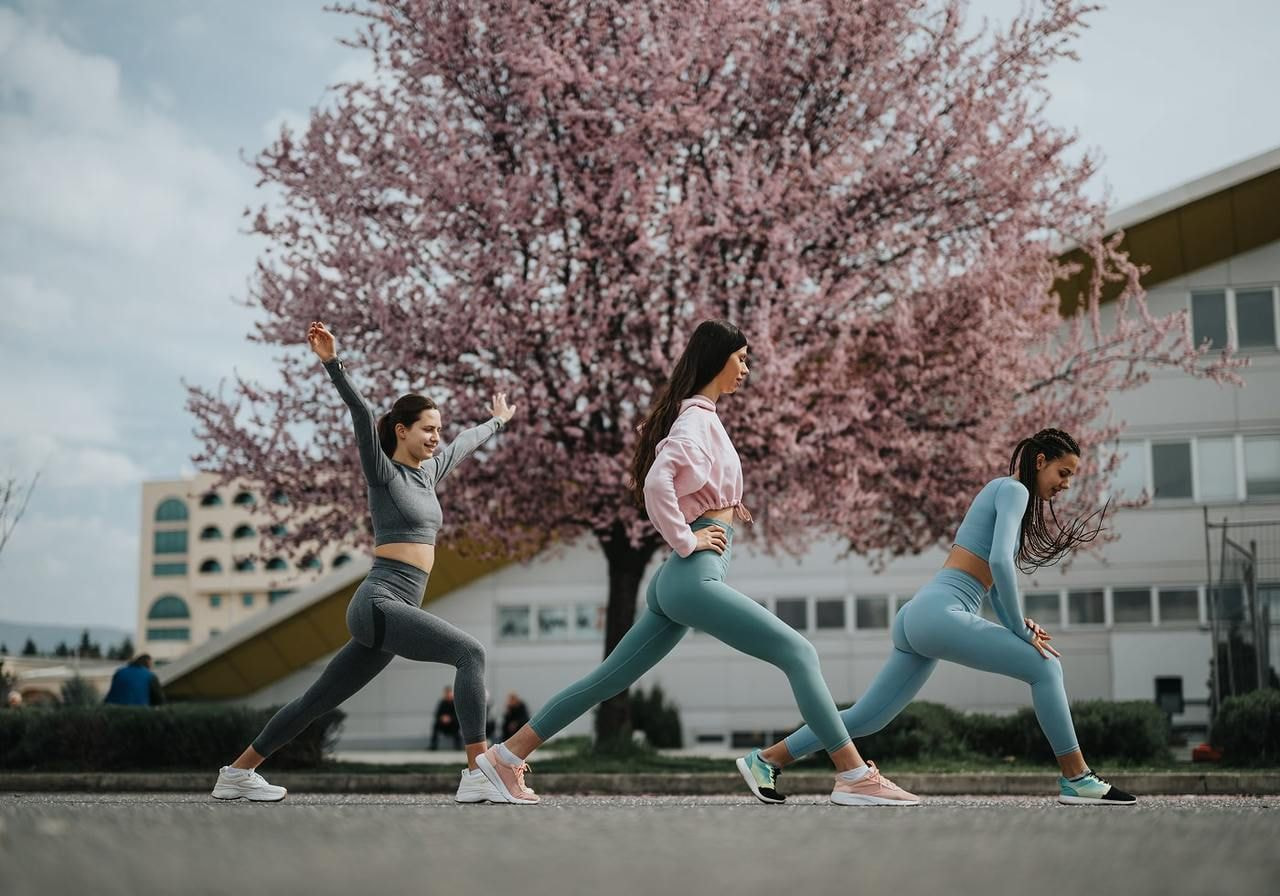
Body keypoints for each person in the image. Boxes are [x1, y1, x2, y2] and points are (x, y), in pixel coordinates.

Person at [476, 319, 917, 806]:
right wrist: (686, 541)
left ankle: (502, 759)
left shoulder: (702, 416)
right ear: (717, 358)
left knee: (606, 680)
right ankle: (854, 776)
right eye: (742, 357)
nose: (747, 367)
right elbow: (657, 484)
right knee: (800, 654)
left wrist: (702, 528)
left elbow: (678, 482)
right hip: (692, 577)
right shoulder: (696, 421)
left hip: (681, 580)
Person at [739, 428, 1137, 807]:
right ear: (1039, 460)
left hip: (923, 614)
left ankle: (766, 760)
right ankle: (1077, 777)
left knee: (867, 717)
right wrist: (1017, 629)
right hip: (939, 613)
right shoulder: (1014, 489)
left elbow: (993, 584)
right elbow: (999, 562)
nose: (1065, 484)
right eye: (1062, 472)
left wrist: (1019, 623)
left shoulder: (1001, 491)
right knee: (1045, 668)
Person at [211, 321, 513, 804]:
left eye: (438, 429)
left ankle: (237, 773)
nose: (437, 437)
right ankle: (478, 771)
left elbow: (463, 445)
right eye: (428, 429)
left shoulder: (429, 472)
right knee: (469, 653)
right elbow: (361, 409)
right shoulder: (383, 471)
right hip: (379, 601)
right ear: (402, 430)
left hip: (391, 610)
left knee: (316, 702)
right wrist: (333, 362)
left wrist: (497, 422)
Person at [430, 686, 462, 750]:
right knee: (435, 725)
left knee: (457, 726)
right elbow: (437, 714)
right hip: (443, 724)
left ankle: (458, 747)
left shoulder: (455, 703)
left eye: (449, 693)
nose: (447, 695)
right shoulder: (442, 703)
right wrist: (442, 718)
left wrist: (450, 719)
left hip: (453, 724)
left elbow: (458, 715)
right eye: (446, 693)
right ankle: (433, 746)